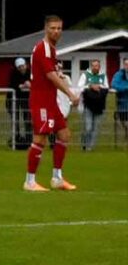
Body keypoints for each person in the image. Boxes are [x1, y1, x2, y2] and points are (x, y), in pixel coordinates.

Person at [23, 15, 80, 191]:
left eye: (59, 28)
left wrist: (59, 75)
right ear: (45, 29)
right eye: (53, 28)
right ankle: (30, 181)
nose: (56, 31)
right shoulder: (44, 48)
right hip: (41, 101)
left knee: (64, 134)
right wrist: (70, 93)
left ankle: (57, 178)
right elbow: (50, 75)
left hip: (50, 100)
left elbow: (51, 73)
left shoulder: (51, 50)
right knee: (40, 138)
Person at [77, 59, 108, 151]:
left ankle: (90, 147)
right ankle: (84, 144)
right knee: (88, 127)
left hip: (99, 106)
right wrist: (90, 86)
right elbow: (80, 87)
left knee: (95, 128)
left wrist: (98, 86)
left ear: (99, 67)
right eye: (93, 66)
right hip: (88, 105)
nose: (95, 67)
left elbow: (106, 87)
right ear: (91, 66)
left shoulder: (103, 76)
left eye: (97, 66)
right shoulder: (85, 75)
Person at [7, 57, 32, 146]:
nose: (21, 68)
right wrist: (19, 86)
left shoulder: (31, 73)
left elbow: (35, 83)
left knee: (28, 119)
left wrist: (29, 84)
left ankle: (29, 139)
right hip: (13, 100)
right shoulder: (13, 74)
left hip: (26, 99)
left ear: (26, 65)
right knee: (15, 120)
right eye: (19, 67)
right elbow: (12, 85)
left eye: (23, 66)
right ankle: (16, 139)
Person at [111, 58, 128, 144]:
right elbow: (114, 85)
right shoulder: (118, 75)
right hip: (122, 105)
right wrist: (125, 88)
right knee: (125, 124)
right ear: (124, 65)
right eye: (126, 64)